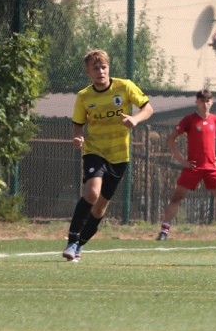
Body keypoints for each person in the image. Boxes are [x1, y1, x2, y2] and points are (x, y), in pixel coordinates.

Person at [63, 49, 154, 262]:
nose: (100, 71)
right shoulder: (84, 97)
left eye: (103, 67)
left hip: (119, 155)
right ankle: (72, 240)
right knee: (92, 193)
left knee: (101, 206)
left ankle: (80, 245)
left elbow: (148, 108)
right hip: (95, 150)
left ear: (108, 68)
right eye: (95, 68)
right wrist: (78, 138)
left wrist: (136, 119)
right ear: (88, 72)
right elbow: (78, 124)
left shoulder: (125, 87)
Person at [157, 89, 216, 242]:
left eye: (208, 101)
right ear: (196, 102)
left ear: (211, 102)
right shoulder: (189, 119)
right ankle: (164, 231)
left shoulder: (215, 120)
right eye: (202, 101)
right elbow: (171, 139)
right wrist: (182, 161)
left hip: (211, 168)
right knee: (177, 197)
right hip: (193, 167)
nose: (205, 104)